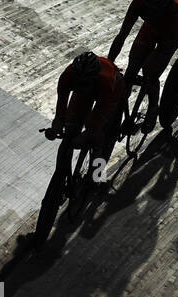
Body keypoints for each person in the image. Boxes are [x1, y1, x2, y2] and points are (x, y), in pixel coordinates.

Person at [31, 51, 126, 245]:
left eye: (85, 82)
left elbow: (98, 117)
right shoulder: (68, 76)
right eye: (79, 82)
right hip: (86, 93)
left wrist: (89, 133)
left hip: (111, 93)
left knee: (97, 136)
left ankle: (98, 177)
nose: (81, 85)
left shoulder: (106, 82)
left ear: (92, 78)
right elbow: (60, 112)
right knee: (69, 133)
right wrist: (57, 128)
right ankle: (61, 176)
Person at [107, 0, 178, 132]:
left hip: (171, 35)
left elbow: (173, 40)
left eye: (154, 8)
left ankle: (153, 108)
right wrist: (109, 63)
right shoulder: (139, 2)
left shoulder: (175, 9)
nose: (150, 9)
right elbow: (122, 34)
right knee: (131, 69)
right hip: (150, 29)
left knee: (150, 72)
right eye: (148, 7)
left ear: (163, 4)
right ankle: (119, 106)